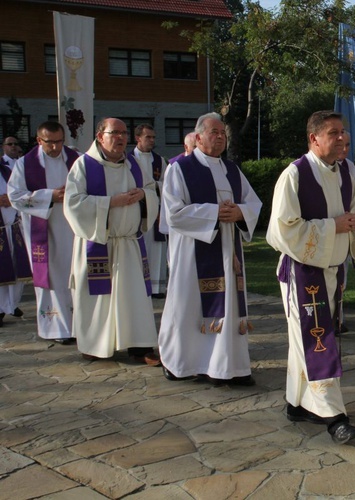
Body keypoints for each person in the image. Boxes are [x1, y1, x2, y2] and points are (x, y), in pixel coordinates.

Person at [266, 110, 355, 445]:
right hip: (303, 273)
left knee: (303, 342)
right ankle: (335, 416)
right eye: (333, 133)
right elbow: (281, 230)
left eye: (342, 132)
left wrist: (352, 218)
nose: (341, 139)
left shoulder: (347, 169)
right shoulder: (294, 175)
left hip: (333, 269)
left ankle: (297, 404)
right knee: (318, 341)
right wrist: (332, 226)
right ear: (314, 138)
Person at [158, 112, 262, 386]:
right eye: (213, 131)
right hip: (194, 252)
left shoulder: (232, 170)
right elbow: (174, 213)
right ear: (198, 136)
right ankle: (182, 363)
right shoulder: (179, 169)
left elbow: (254, 204)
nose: (219, 136)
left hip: (228, 251)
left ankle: (228, 366)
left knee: (229, 306)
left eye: (223, 133)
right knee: (188, 307)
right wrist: (216, 213)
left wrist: (240, 212)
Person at [63, 118, 160, 364]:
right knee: (98, 301)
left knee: (134, 298)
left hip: (128, 243)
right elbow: (73, 204)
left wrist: (144, 195)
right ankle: (94, 345)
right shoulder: (84, 165)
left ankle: (140, 347)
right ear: (100, 136)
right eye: (114, 132)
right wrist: (110, 203)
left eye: (124, 133)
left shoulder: (134, 165)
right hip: (98, 243)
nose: (120, 138)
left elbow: (153, 190)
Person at [8, 122, 77, 344]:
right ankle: (57, 328)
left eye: (59, 141)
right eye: (50, 142)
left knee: (76, 276)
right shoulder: (25, 164)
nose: (56, 147)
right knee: (52, 276)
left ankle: (79, 326)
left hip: (75, 228)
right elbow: (15, 196)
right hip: (44, 230)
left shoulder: (77, 158)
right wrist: (50, 196)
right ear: (39, 140)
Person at [130, 123, 169, 298]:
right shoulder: (128, 159)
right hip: (135, 209)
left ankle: (156, 287)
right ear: (138, 138)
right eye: (148, 137)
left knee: (156, 247)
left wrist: (153, 186)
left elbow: (167, 185)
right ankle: (137, 285)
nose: (152, 140)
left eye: (153, 137)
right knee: (138, 247)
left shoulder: (159, 160)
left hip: (155, 209)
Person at [335, 130, 355, 333]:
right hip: (330, 227)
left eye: (347, 145)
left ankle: (339, 317)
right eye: (341, 145)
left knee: (341, 275)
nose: (344, 149)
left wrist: (354, 214)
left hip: (346, 227)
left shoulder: (349, 167)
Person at [0, 159, 30, 327]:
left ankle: (12, 304)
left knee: (16, 267)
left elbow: (18, 192)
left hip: (12, 227)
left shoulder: (7, 171)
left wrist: (10, 200)